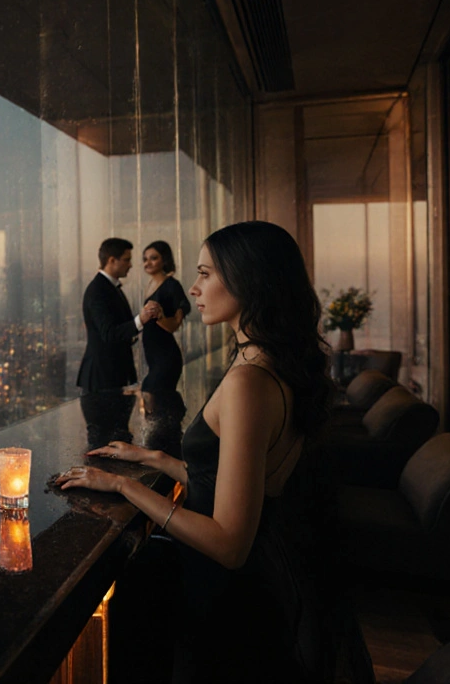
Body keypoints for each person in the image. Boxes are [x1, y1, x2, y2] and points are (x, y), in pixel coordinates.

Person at [54, 221, 371, 683]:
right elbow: (236, 476)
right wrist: (155, 460)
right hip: (259, 583)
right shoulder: (263, 360)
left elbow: (228, 544)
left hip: (228, 602)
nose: (194, 289)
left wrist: (122, 484)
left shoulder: (249, 381)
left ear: (248, 280)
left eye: (206, 274)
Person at [76, 237, 162, 394]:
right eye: (126, 260)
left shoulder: (111, 287)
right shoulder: (98, 291)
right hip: (102, 379)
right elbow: (109, 333)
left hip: (112, 376)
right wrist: (141, 319)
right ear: (111, 260)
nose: (130, 265)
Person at [140, 240, 191, 396]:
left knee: (155, 396)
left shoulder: (172, 286)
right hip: (153, 358)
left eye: (153, 258)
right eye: (145, 259)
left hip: (166, 357)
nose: (147, 263)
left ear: (164, 260)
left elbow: (175, 324)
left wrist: (160, 317)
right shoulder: (149, 284)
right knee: (154, 402)